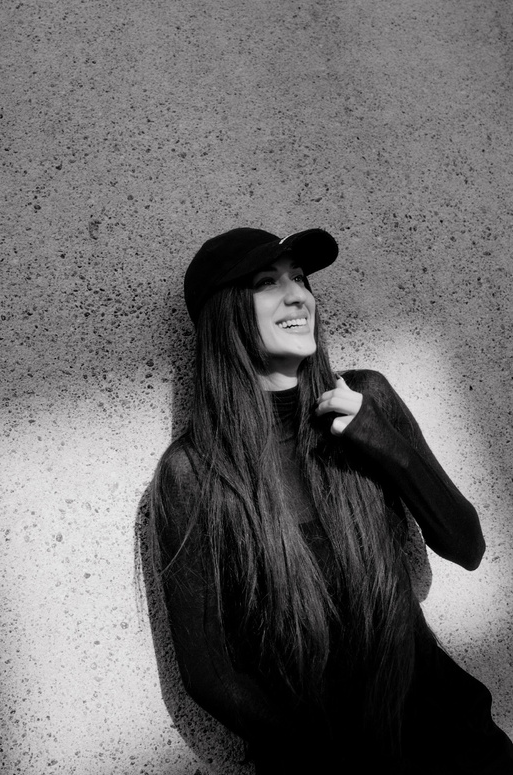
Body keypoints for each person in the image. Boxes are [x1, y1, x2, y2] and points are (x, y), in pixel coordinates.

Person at [149, 227, 513, 774]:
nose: (298, 296)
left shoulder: (366, 397)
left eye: (300, 278)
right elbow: (210, 675)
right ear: (224, 315)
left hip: (453, 739)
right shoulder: (193, 472)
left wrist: (381, 440)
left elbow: (467, 545)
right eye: (267, 283)